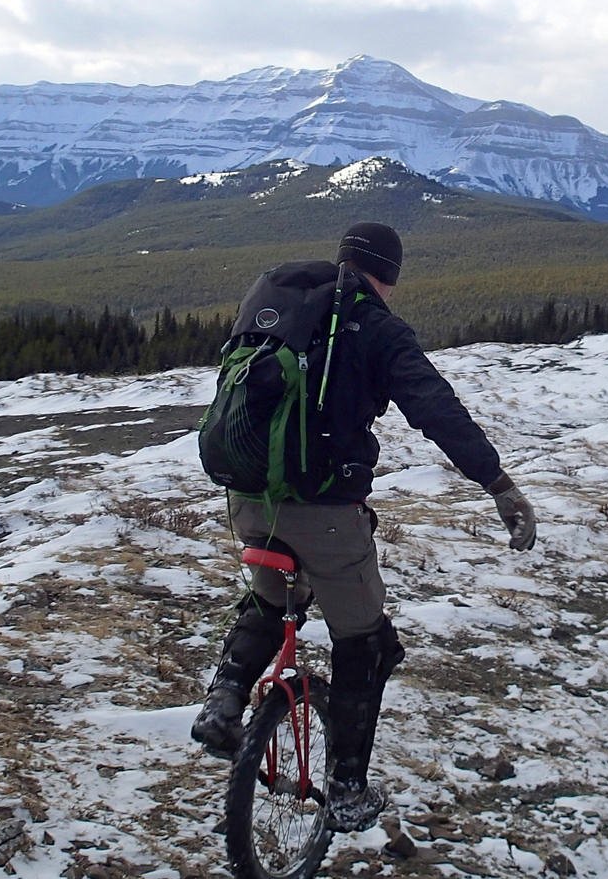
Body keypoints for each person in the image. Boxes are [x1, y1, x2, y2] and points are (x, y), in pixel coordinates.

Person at [190, 221, 538, 833]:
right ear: (390, 274)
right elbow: (437, 409)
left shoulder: (280, 301)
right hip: (325, 513)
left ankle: (225, 698)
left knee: (272, 602)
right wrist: (498, 484)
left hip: (247, 498)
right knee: (368, 645)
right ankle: (347, 788)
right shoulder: (376, 327)